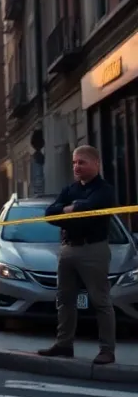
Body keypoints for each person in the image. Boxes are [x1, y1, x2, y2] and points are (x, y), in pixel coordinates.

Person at [39, 145, 118, 365]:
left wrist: (69, 211)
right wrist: (70, 209)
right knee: (64, 299)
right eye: (74, 162)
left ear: (96, 163)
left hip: (93, 249)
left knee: (100, 300)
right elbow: (50, 214)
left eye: (81, 162)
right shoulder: (69, 190)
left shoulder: (104, 190)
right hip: (67, 249)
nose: (76, 166)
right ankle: (64, 344)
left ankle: (107, 350)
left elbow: (91, 210)